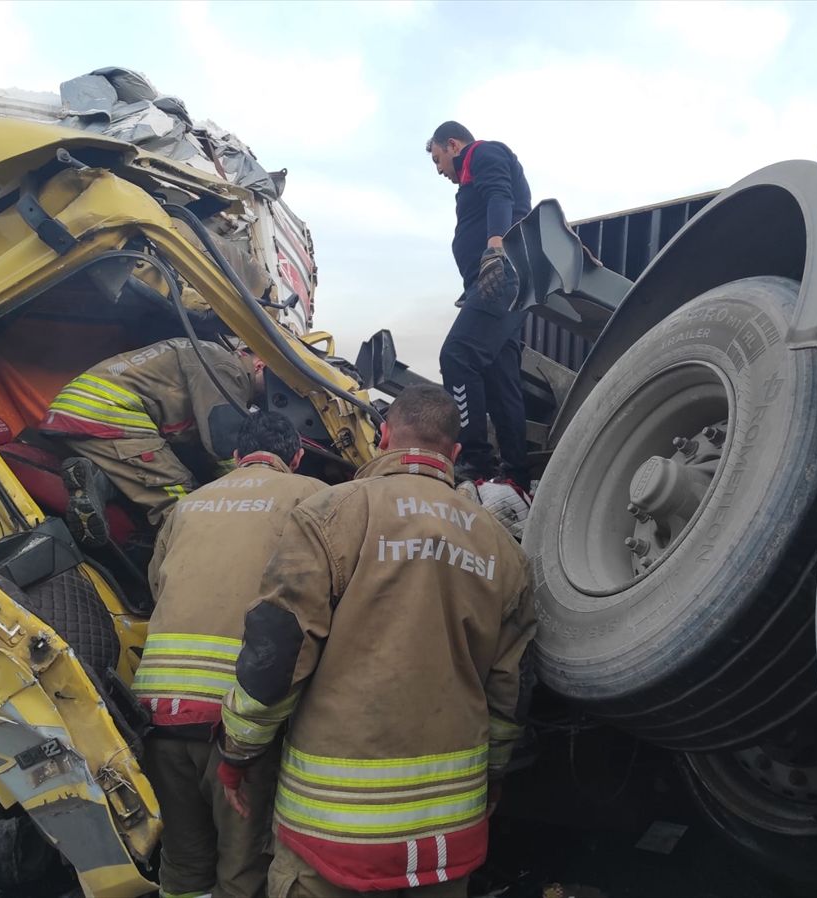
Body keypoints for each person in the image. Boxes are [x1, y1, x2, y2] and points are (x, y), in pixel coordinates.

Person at [218, 384, 536, 897]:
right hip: (444, 838)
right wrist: (493, 775)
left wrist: (238, 753)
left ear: (384, 436)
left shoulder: (329, 514)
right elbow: (511, 690)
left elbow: (277, 654)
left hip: (331, 833)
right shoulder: (504, 549)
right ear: (454, 451)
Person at [132, 411, 324, 898]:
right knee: (241, 871)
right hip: (234, 720)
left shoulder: (187, 505)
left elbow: (157, 586)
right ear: (297, 457)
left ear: (236, 457)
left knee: (182, 865)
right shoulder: (311, 497)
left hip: (154, 714)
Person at [40, 336, 266, 544]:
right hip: (107, 413)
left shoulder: (209, 352)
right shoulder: (229, 368)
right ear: (260, 366)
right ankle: (198, 554)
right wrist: (255, 491)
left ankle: (100, 480)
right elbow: (223, 444)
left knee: (147, 473)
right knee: (181, 500)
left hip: (76, 411)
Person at [426, 121, 533, 490]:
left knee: (457, 356)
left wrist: (494, 247)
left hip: (500, 276)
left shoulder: (482, 153)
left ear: (453, 145)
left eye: (438, 159)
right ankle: (516, 476)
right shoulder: (469, 180)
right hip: (492, 280)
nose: (440, 170)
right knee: (502, 381)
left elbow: (501, 195)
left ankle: (474, 460)